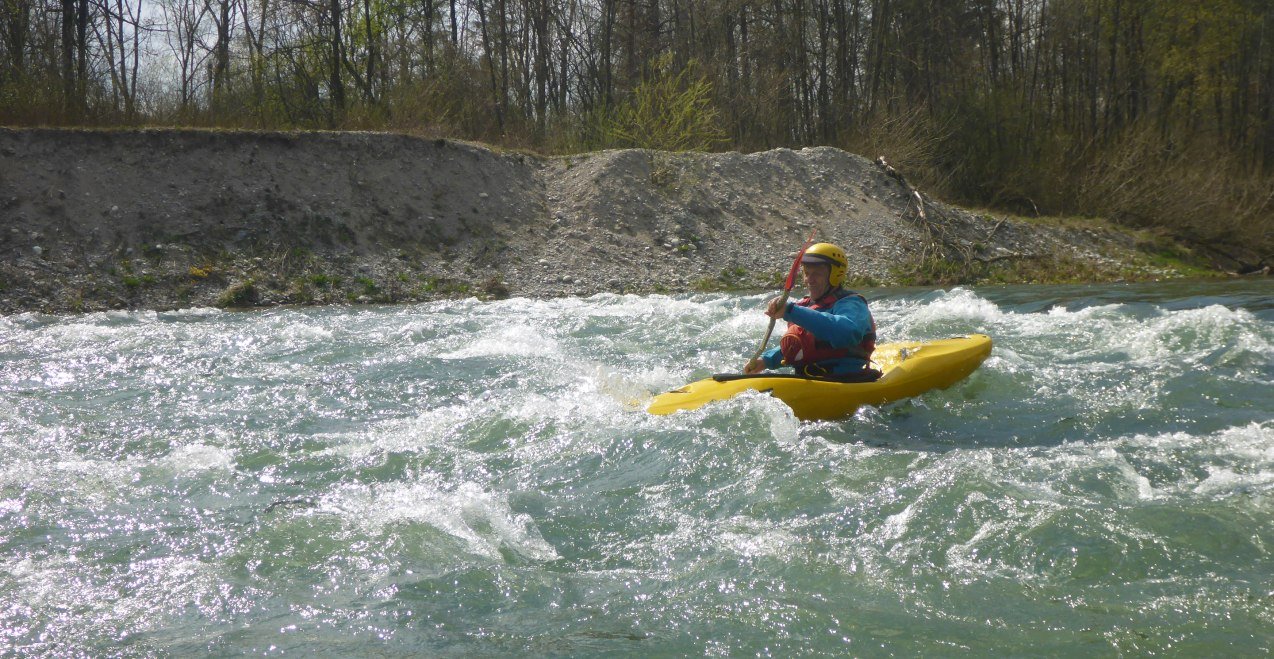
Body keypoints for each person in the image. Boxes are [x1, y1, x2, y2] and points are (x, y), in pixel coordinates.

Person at [744, 242, 877, 378]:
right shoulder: (803, 307)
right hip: (808, 378)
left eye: (817, 274)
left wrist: (791, 311)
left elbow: (847, 333)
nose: (809, 280)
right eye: (807, 273)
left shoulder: (852, 303)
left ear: (836, 274)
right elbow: (801, 344)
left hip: (847, 378)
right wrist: (766, 361)